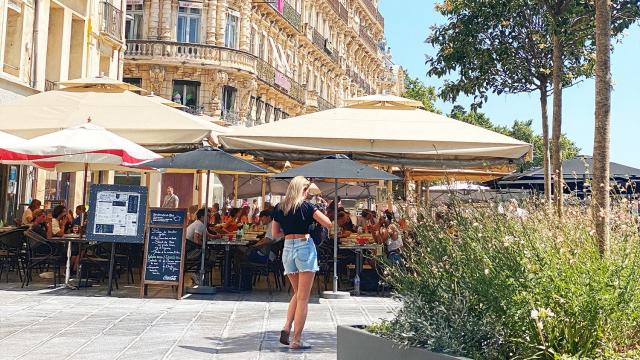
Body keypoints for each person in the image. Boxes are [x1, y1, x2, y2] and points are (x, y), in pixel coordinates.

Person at [272, 176, 332, 350]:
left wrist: (289, 229)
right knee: (304, 298)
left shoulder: (279, 207)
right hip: (304, 247)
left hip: (287, 249)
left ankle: (286, 326)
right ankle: (296, 340)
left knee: (298, 293)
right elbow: (327, 223)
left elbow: (276, 233)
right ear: (303, 190)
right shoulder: (307, 206)